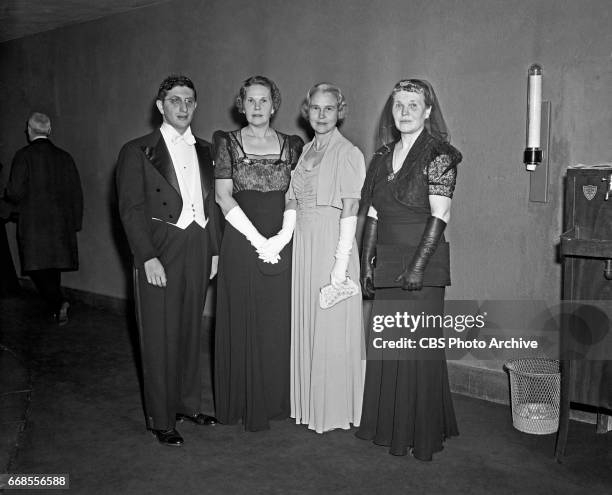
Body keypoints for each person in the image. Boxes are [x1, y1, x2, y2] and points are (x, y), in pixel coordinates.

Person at [356, 79, 461, 460]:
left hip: (424, 262)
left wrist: (417, 267)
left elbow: (441, 215)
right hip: (387, 258)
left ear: (428, 111)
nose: (403, 112)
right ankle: (387, 425)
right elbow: (371, 214)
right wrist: (367, 263)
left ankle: (420, 432)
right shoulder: (382, 157)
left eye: (413, 105)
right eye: (398, 104)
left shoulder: (440, 154)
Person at [116, 75, 221, 447]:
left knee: (191, 329)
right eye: (175, 100)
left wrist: (214, 249)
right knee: (160, 333)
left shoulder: (207, 150)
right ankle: (161, 418)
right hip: (160, 248)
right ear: (160, 106)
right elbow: (130, 209)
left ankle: (187, 405)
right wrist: (146, 257)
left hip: (198, 246)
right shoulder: (138, 150)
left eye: (189, 100)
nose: (182, 106)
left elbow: (213, 205)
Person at [214, 75, 304, 431]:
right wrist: (258, 240)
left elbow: (295, 195)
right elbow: (224, 196)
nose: (256, 107)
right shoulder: (228, 144)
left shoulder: (291, 145)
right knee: (244, 317)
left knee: (276, 321)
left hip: (281, 240)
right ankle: (242, 403)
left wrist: (281, 238)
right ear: (241, 104)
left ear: (274, 104)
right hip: (241, 241)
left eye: (263, 100)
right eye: (250, 100)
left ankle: (277, 400)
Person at [287, 83, 366, 433]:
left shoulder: (348, 152)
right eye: (315, 108)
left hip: (332, 244)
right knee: (308, 323)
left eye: (329, 109)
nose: (321, 115)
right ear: (307, 111)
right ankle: (308, 403)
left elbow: (351, 207)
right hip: (304, 246)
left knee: (332, 329)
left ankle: (333, 409)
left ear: (340, 111)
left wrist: (340, 260)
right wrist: (280, 239)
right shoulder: (305, 151)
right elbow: (292, 199)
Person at [4, 113, 83, 323]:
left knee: (36, 267)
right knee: (53, 265)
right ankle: (57, 307)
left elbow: (14, 192)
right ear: (49, 131)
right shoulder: (65, 157)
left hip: (34, 224)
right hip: (60, 223)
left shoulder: (23, 155)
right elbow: (76, 191)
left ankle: (58, 302)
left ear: (29, 131)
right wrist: (75, 221)